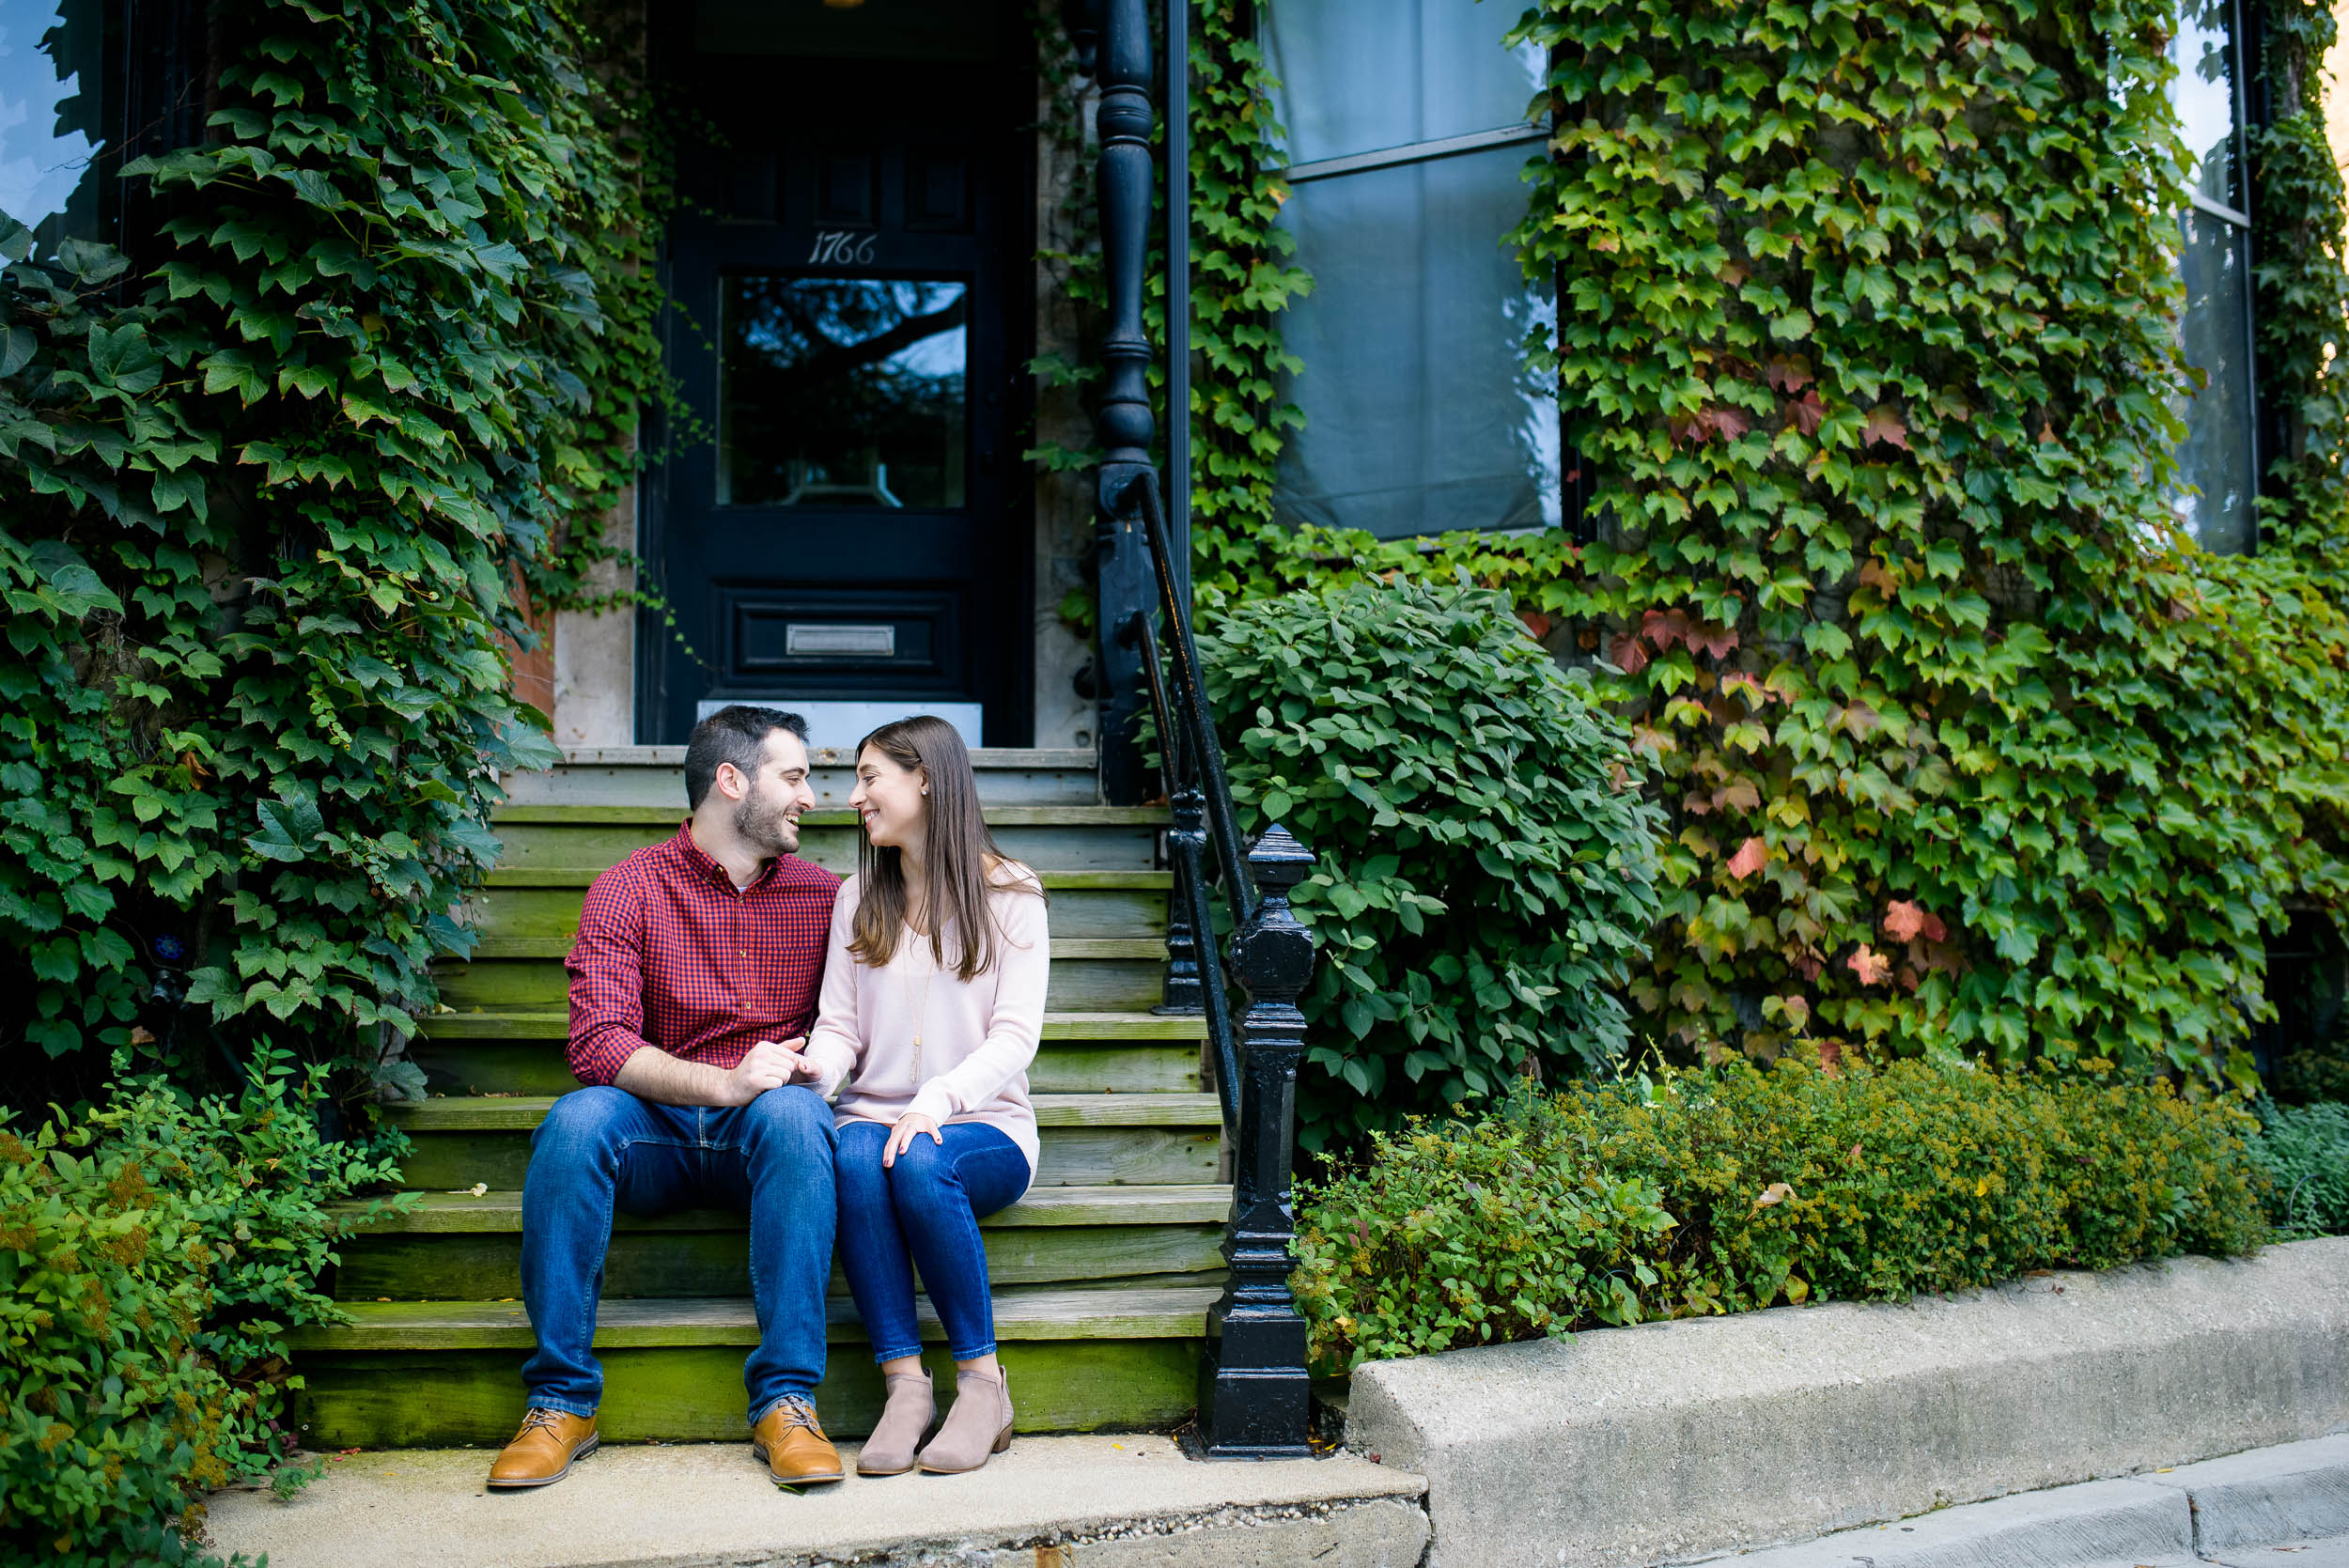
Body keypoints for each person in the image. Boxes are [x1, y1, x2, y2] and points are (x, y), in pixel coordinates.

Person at [488, 706, 846, 1489]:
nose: (811, 797)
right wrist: (723, 1081)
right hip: (653, 1128)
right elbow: (597, 1043)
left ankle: (787, 1399)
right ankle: (561, 1400)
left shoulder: (828, 897)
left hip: (766, 1134)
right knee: (575, 1122)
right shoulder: (628, 888)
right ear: (730, 780)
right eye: (794, 776)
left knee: (796, 1116)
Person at [801, 715, 1049, 1477]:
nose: (854, 797)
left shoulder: (1010, 893)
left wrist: (935, 1102)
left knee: (916, 1160)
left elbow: (1015, 1038)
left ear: (927, 779)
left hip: (984, 1126)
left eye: (871, 776)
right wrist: (811, 1073)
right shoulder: (856, 899)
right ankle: (904, 1385)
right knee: (852, 1150)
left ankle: (982, 1383)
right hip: (876, 1114)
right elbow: (840, 1026)